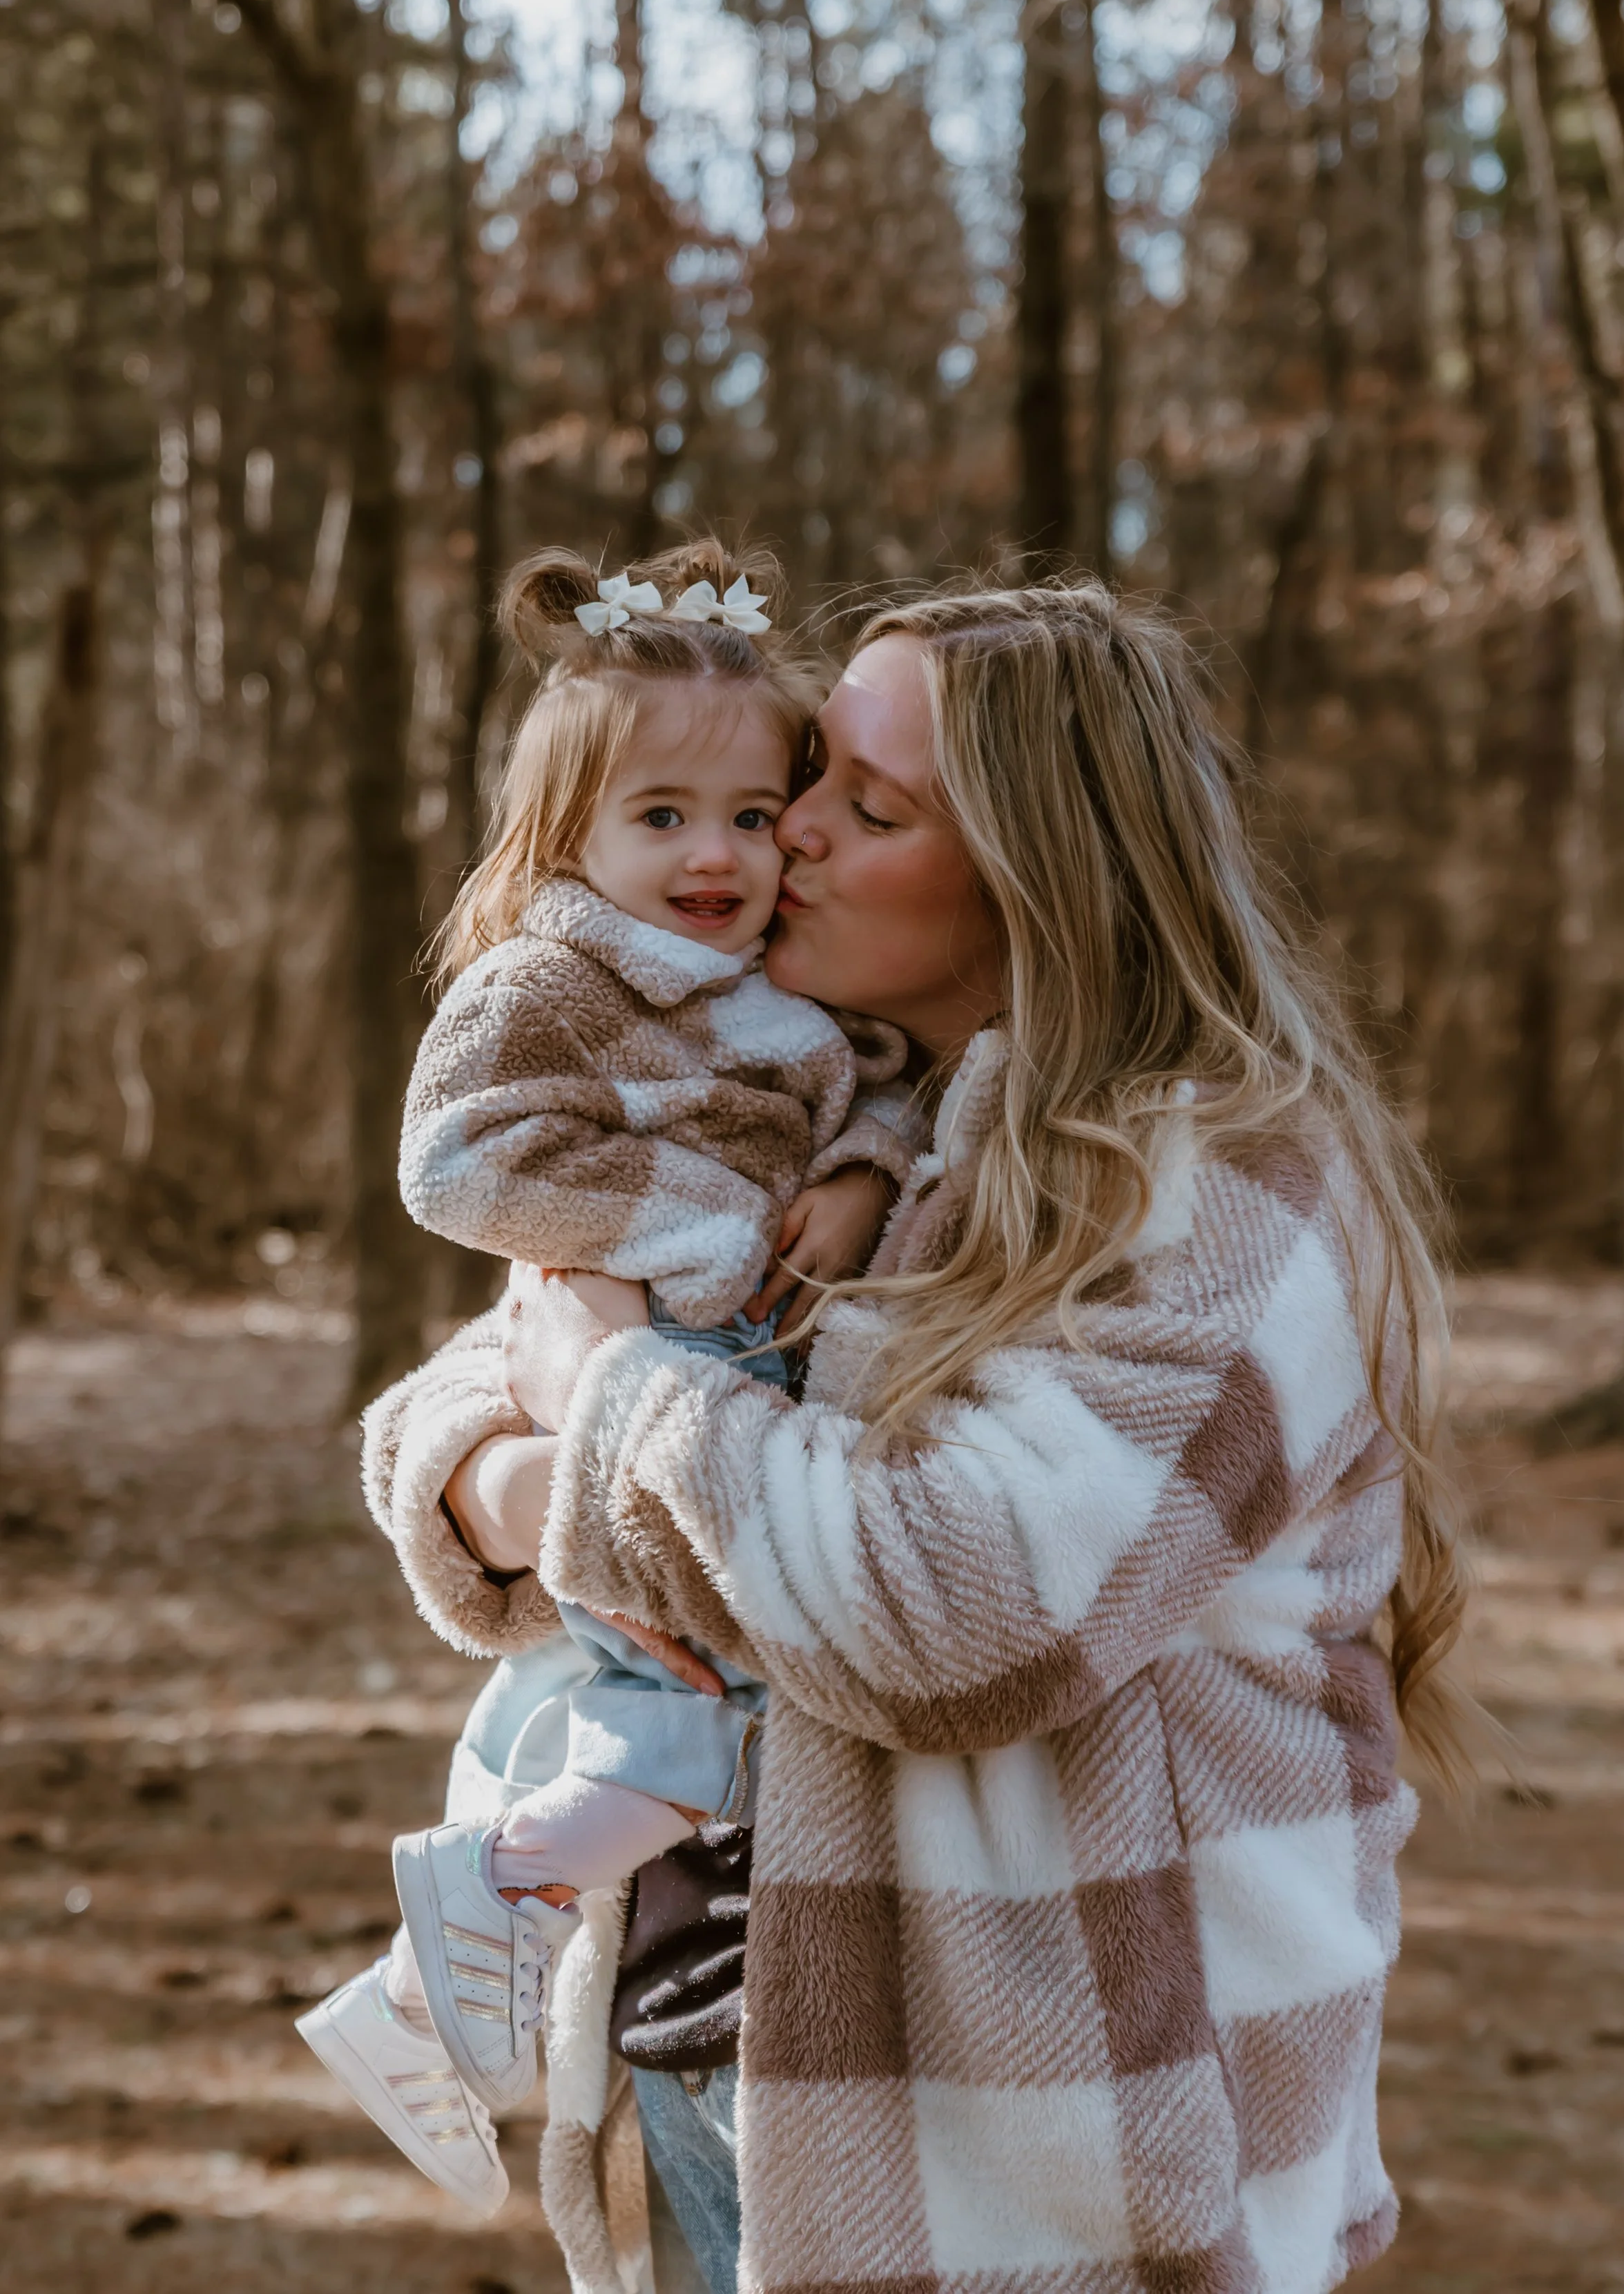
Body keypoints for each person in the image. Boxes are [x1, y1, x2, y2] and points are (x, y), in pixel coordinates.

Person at [362, 577, 1467, 2294]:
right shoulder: (860, 1132)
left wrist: (601, 1411)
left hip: (1053, 2160)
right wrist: (506, 1474)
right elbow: (509, 1360)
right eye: (808, 777)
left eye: (859, 806)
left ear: (1039, 873)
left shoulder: (1225, 1194)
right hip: (737, 2063)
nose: (784, 833)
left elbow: (952, 1619)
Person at [298, 541, 918, 2209]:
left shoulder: (784, 990)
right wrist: (691, 1229)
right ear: (567, 834)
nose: (711, 854)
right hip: (656, 1347)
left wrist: (853, 1182)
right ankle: (479, 1904)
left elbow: (869, 1096)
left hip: (719, 1381)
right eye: (659, 817)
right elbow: (455, 1164)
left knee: (617, 1694)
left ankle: (423, 1986)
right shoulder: (549, 982)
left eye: (744, 811)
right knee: (677, 1713)